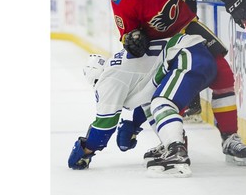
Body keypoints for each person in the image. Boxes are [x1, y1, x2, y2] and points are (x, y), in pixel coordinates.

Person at [111, 0, 246, 170]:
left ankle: (230, 138)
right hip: (159, 46)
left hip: (188, 29)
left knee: (223, 74)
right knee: (163, 94)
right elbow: (127, 37)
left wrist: (234, 0)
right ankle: (173, 141)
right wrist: (133, 40)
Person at [68, 32, 217, 178]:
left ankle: (176, 151)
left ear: (95, 79)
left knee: (162, 103)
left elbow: (105, 124)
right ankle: (171, 144)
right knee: (154, 103)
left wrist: (86, 149)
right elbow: (146, 97)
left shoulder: (107, 80)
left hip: (187, 57)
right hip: (193, 55)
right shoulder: (119, 69)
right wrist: (134, 124)